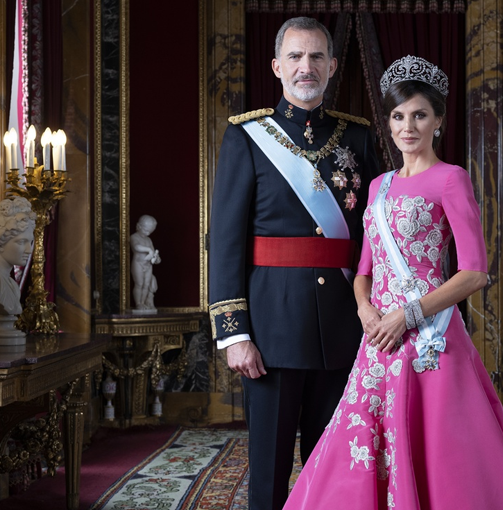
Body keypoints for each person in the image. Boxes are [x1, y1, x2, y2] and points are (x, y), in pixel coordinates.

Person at [283, 56, 503, 509]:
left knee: (442, 450)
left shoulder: (451, 179)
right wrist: (367, 312)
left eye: (420, 115)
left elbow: (475, 272)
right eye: (399, 116)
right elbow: (363, 271)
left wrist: (408, 315)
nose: (408, 126)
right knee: (358, 440)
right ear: (388, 122)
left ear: (437, 121)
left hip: (429, 337)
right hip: (380, 337)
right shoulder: (379, 186)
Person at [208, 17, 378, 510]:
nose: (308, 67)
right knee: (270, 467)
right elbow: (226, 241)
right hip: (271, 328)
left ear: (332, 67)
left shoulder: (359, 139)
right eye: (297, 57)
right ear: (278, 66)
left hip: (345, 325)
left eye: (318, 57)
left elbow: (375, 235)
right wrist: (235, 333)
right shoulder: (247, 136)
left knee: (341, 462)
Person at [0, 197, 35, 316]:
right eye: (21, 242)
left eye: (30, 242)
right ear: (0, 243)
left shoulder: (11, 285)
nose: (29, 251)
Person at [130, 214, 160, 312]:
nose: (148, 233)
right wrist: (148, 250)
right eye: (146, 230)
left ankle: (143, 303)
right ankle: (138, 303)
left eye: (150, 231)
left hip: (148, 265)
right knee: (139, 283)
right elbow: (136, 247)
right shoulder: (134, 237)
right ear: (139, 226)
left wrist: (156, 258)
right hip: (138, 264)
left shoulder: (148, 239)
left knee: (146, 284)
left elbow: (153, 250)